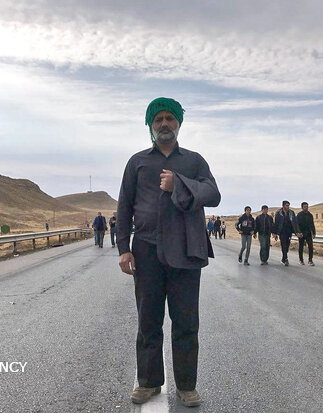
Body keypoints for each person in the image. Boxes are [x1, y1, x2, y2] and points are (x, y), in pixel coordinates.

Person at [116, 97, 220, 407]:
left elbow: (213, 194)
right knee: (148, 320)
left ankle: (186, 386)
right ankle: (149, 382)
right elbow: (124, 207)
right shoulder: (137, 162)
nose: (164, 124)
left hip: (186, 251)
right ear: (150, 125)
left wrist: (180, 184)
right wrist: (124, 249)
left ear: (178, 124)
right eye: (158, 119)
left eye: (170, 119)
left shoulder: (194, 161)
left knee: (186, 322)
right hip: (146, 250)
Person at [273, 201, 302, 266]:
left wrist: (297, 231)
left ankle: (283, 258)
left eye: (288, 205)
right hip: (282, 231)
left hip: (289, 231)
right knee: (283, 244)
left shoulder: (291, 213)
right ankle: (286, 259)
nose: (288, 207)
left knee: (287, 245)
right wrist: (275, 233)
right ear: (283, 206)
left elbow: (295, 222)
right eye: (286, 205)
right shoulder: (278, 213)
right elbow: (276, 223)